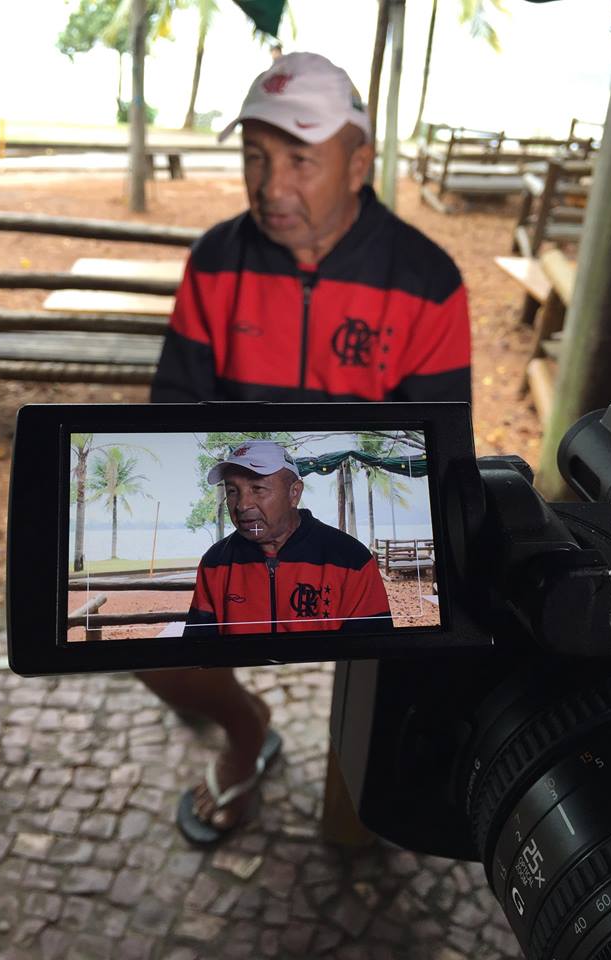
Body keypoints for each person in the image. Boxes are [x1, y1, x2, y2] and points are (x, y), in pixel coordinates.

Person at [142, 51, 472, 844]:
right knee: (152, 643)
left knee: (420, 643)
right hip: (240, 517)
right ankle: (247, 730)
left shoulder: (428, 281)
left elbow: (441, 456)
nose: (271, 186)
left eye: (299, 159)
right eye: (255, 157)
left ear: (358, 164)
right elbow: (170, 417)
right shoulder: (216, 261)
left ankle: (363, 799)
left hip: (353, 538)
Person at [184, 440, 392, 637]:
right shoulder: (215, 562)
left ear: (294, 493)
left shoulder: (351, 560)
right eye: (232, 491)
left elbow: (372, 657)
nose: (242, 505)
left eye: (258, 488)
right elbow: (198, 653)